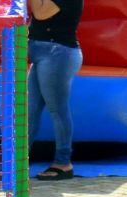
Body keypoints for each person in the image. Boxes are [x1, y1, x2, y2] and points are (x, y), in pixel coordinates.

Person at [28, 0, 84, 180]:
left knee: (58, 110)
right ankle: (17, 162)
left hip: (57, 52)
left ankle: (63, 162)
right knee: (29, 112)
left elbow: (40, 13)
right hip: (44, 52)